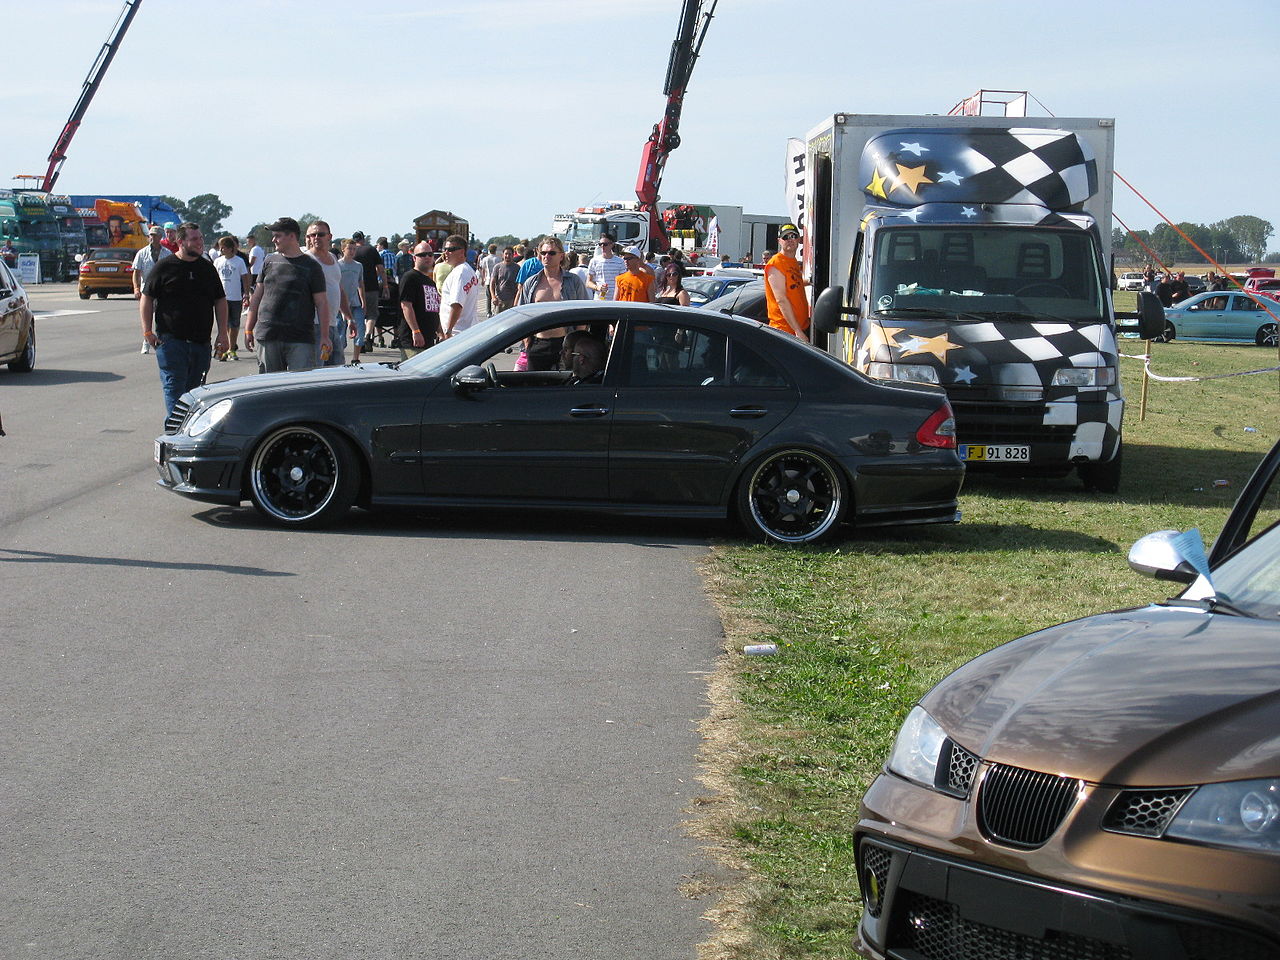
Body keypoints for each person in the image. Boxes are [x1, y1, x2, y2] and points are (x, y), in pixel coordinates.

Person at [139, 222, 229, 416]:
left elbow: (220, 300)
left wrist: (223, 334)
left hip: (201, 345)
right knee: (175, 394)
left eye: (201, 238)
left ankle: (187, 436)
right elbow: (147, 297)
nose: (200, 243)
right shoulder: (165, 267)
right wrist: (147, 331)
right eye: (194, 239)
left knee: (196, 396)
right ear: (181, 242)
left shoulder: (207, 268)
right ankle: (174, 437)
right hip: (171, 343)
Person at [245, 216, 330, 373]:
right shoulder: (269, 262)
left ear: (292, 236)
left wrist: (325, 336)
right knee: (269, 388)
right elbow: (256, 297)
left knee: (298, 389)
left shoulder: (312, 267)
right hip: (268, 335)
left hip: (300, 338)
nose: (273, 240)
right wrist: (248, 329)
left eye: (277, 235)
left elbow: (322, 303)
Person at [514, 237, 590, 370]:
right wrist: (527, 344)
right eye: (543, 253)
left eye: (551, 253)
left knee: (563, 388)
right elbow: (522, 314)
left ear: (561, 256)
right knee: (537, 389)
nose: (546, 256)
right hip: (538, 345)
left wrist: (575, 345)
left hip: (565, 344)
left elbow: (583, 316)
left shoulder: (573, 281)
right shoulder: (531, 283)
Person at [306, 221, 351, 366]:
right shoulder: (306, 260)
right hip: (314, 324)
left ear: (329, 237)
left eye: (320, 234)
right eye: (312, 235)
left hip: (333, 324)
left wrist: (349, 317)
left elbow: (339, 288)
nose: (316, 238)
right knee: (317, 369)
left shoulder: (333, 258)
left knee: (338, 366)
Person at [397, 242, 442, 360]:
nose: (427, 257)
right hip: (413, 341)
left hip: (429, 340)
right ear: (414, 258)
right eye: (422, 255)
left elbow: (433, 309)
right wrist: (415, 331)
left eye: (430, 254)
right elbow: (406, 306)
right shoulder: (410, 278)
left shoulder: (431, 282)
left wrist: (440, 331)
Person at [764, 224, 810, 340]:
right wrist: (798, 331)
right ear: (779, 241)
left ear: (799, 240)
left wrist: (809, 281)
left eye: (793, 236)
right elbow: (781, 300)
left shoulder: (792, 262)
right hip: (785, 332)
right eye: (785, 237)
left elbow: (792, 284)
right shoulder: (775, 264)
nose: (790, 240)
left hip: (799, 328)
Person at [132, 225, 173, 354]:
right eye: (151, 235)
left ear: (160, 236)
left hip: (163, 291)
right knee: (147, 317)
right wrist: (136, 288)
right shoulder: (142, 253)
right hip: (147, 291)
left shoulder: (167, 253)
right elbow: (136, 272)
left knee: (162, 317)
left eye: (155, 235)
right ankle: (146, 341)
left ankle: (162, 340)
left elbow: (172, 272)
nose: (152, 238)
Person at [213, 236, 251, 361]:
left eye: (223, 246)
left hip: (235, 297)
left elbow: (245, 278)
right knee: (223, 325)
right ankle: (223, 349)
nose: (221, 249)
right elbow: (213, 278)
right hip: (221, 298)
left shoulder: (239, 261)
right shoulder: (218, 261)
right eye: (220, 247)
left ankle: (232, 349)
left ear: (230, 248)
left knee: (234, 324)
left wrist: (246, 294)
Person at [439, 234, 483, 337]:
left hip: (457, 334)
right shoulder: (467, 270)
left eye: (451, 249)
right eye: (445, 249)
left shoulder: (460, 273)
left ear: (462, 252)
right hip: (467, 331)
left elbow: (457, 304)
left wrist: (448, 331)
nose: (446, 252)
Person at [351, 230, 388, 333]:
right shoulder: (371, 250)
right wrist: (385, 286)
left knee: (358, 313)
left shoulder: (351, 252)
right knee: (372, 314)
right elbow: (381, 269)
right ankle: (367, 334)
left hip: (355, 288)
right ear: (363, 239)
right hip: (371, 287)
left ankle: (359, 337)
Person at [339, 239, 370, 360]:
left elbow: (360, 284)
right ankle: (339, 358)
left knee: (360, 330)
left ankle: (355, 358)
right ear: (343, 249)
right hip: (340, 305)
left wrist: (363, 301)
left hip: (355, 303)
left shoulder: (358, 266)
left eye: (354, 249)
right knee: (340, 334)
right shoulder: (338, 265)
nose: (352, 251)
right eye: (349, 249)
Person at [587, 233, 626, 301]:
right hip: (599, 299)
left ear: (612, 245)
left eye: (605, 244)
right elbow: (588, 282)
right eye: (600, 244)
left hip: (615, 299)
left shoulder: (620, 261)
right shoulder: (594, 261)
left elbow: (623, 282)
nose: (602, 246)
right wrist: (597, 287)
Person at [489, 246, 521, 315]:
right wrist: (493, 297)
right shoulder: (497, 267)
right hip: (499, 300)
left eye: (510, 254)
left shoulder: (517, 268)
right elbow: (492, 283)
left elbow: (519, 286)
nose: (507, 256)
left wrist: (516, 301)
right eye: (506, 254)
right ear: (502, 255)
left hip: (512, 301)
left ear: (513, 255)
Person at [478, 243, 501, 316]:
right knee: (496, 296)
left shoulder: (485, 259)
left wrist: (483, 279)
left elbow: (483, 269)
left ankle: (488, 312)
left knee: (488, 297)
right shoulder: (498, 259)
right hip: (497, 280)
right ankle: (495, 310)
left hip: (488, 279)